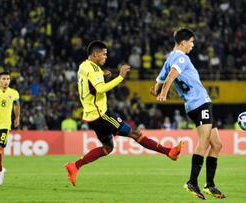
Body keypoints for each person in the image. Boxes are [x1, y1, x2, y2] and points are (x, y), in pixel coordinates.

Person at [65, 40, 184, 186]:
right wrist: (120, 77)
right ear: (95, 54)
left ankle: (75, 166)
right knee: (135, 134)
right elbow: (101, 89)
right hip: (102, 114)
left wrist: (101, 73)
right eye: (104, 54)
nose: (106, 57)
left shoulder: (83, 66)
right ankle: (169, 152)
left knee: (108, 148)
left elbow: (89, 81)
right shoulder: (94, 70)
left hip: (91, 117)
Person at [150, 28, 225, 200]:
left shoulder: (169, 59)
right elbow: (170, 76)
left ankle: (210, 185)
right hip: (199, 103)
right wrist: (163, 93)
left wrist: (156, 90)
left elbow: (159, 80)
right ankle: (192, 182)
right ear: (183, 42)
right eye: (191, 41)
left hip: (195, 105)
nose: (193, 45)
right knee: (204, 141)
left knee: (217, 145)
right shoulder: (181, 57)